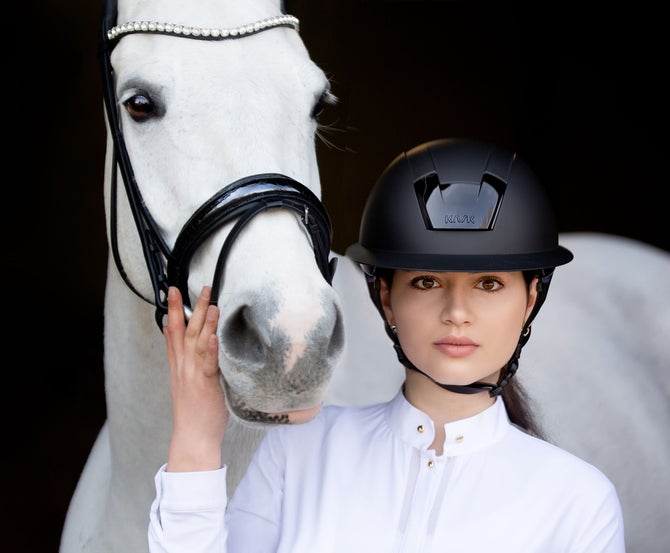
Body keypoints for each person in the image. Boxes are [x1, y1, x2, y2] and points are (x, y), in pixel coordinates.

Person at [148, 138, 626, 552]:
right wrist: (196, 439)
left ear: (530, 300)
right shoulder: (298, 451)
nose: (457, 312)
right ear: (386, 298)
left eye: (488, 285)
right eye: (425, 282)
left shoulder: (580, 502)